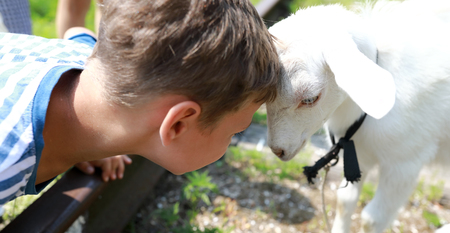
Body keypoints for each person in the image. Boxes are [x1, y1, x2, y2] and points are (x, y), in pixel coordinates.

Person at [0, 0, 279, 204]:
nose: (230, 143)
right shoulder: (8, 156)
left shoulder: (87, 60)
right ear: (178, 124)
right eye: (234, 133)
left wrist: (99, 141)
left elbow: (76, 34)